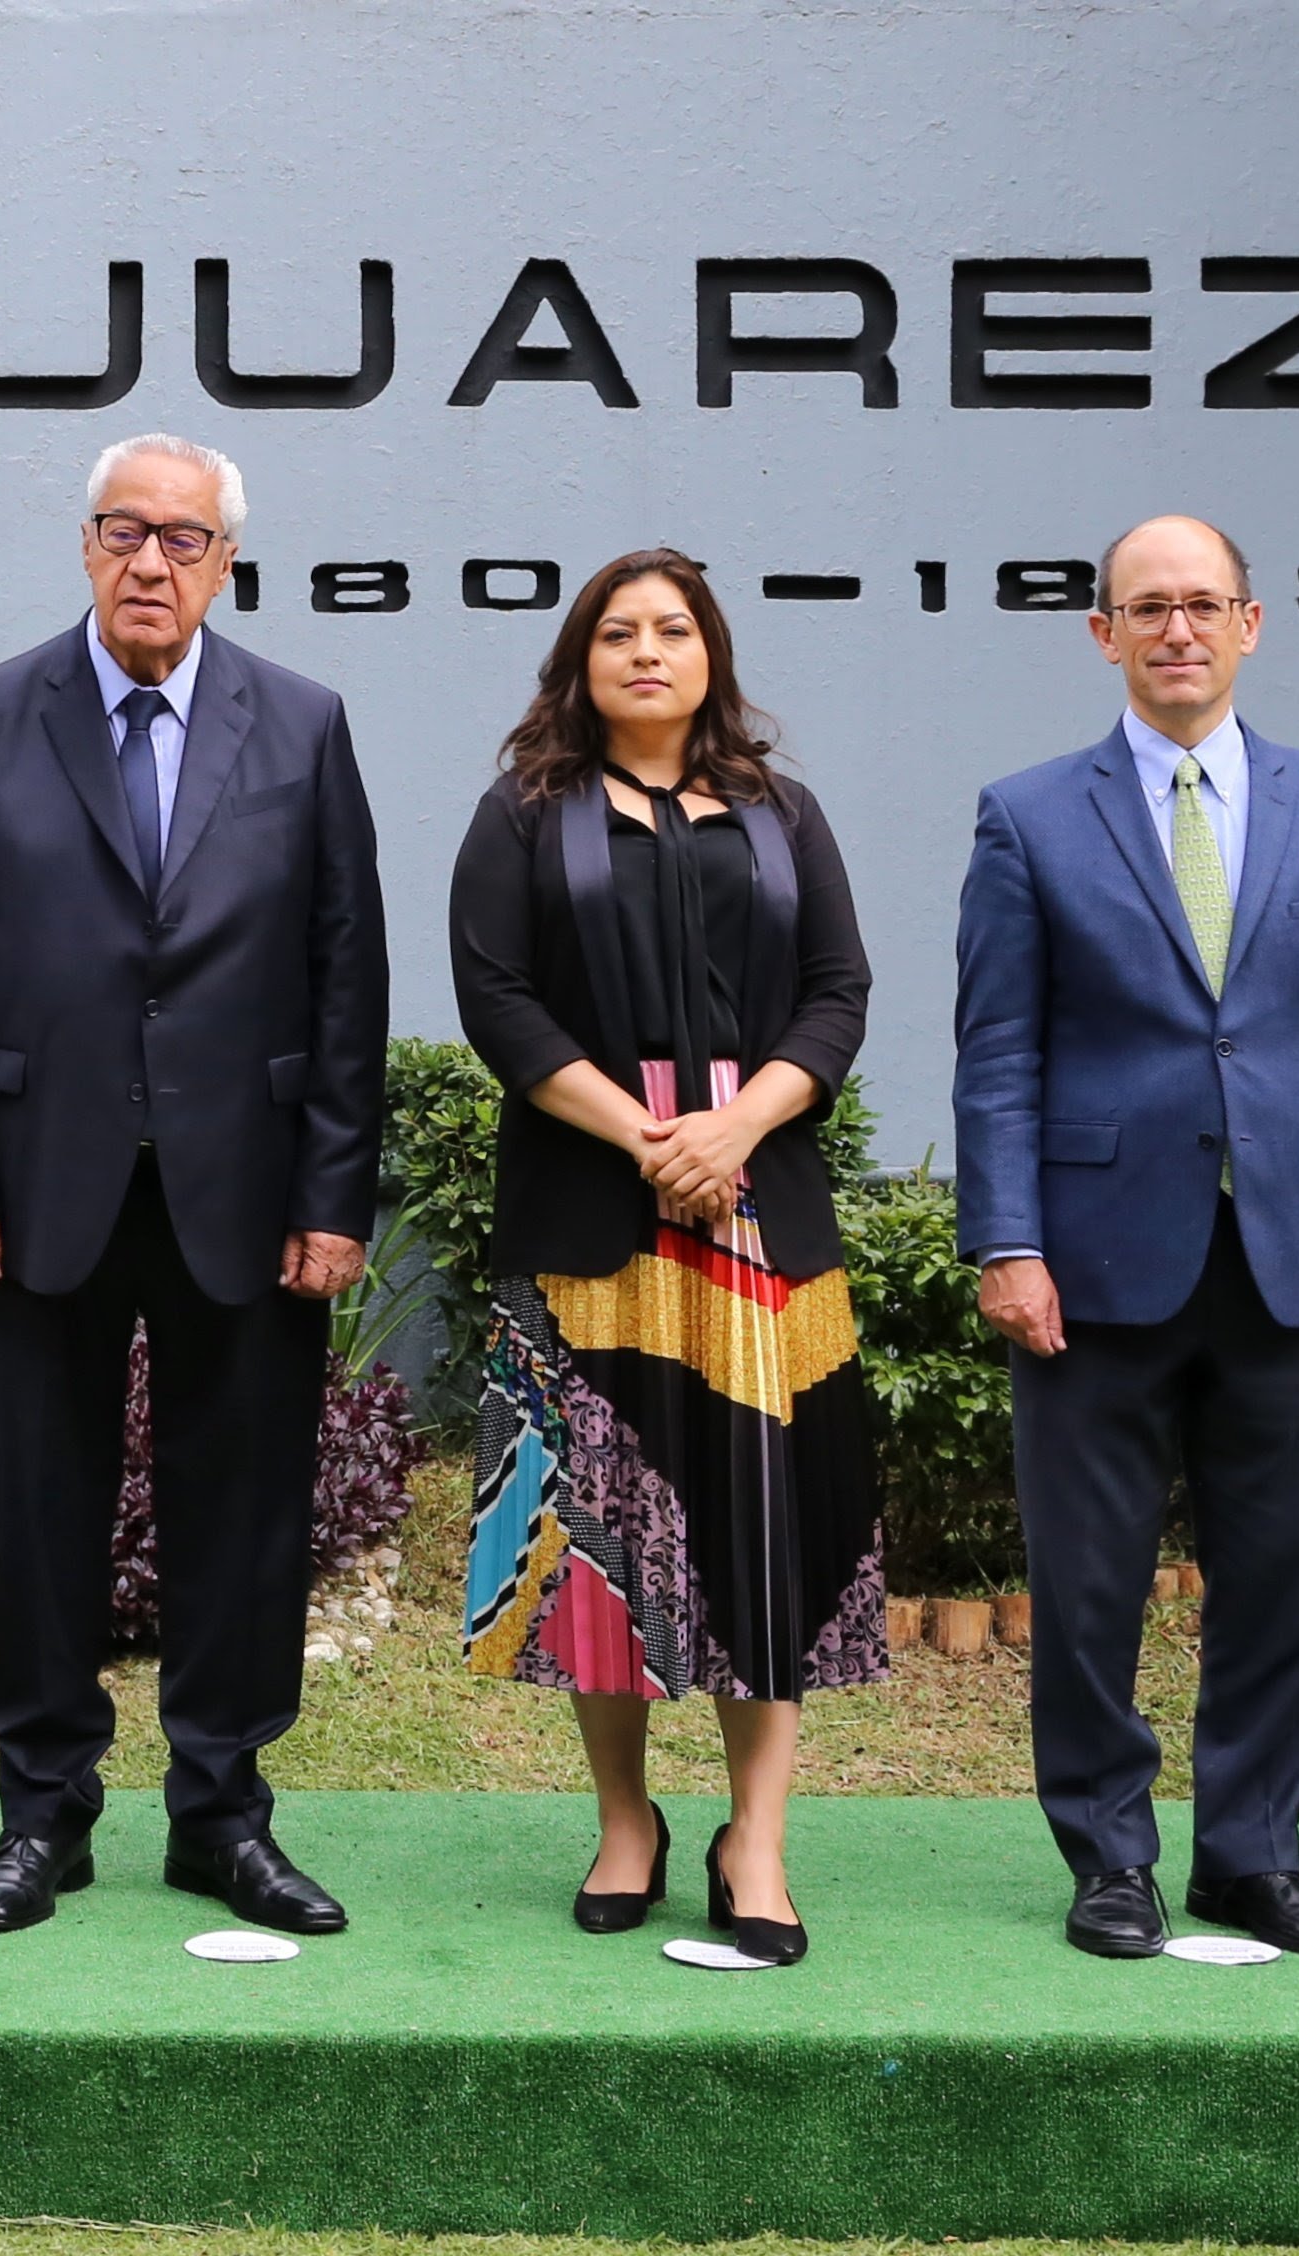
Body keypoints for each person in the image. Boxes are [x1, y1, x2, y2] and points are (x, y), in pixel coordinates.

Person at [0, 432, 384, 1938]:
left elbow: (341, 973)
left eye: (181, 539)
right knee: (41, 1511)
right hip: (39, 1186)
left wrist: (333, 1195)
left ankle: (223, 1816)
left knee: (240, 1517)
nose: (149, 563)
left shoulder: (299, 725)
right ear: (86, 546)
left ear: (224, 561)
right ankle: (42, 1816)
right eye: (123, 532)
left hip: (246, 1185)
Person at [954, 515, 1299, 1962]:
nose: (1175, 631)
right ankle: (1107, 1859)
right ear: (1101, 634)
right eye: (1144, 609)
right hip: (1092, 1260)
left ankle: (1251, 1856)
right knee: (1090, 1583)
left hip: (1294, 1248)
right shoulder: (1028, 812)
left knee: (1278, 1575)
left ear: (1249, 624)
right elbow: (996, 1052)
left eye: (1201, 606)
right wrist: (1005, 1238)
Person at [446, 548, 876, 1966]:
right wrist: (647, 1139)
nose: (645, 652)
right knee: (603, 1534)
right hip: (591, 1203)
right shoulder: (522, 819)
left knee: (766, 1525)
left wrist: (732, 1125)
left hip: (758, 1203)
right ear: (579, 663)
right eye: (616, 633)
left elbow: (834, 993)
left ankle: (756, 1834)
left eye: (671, 630)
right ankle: (624, 1815)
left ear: (710, 656)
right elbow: (497, 1003)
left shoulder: (779, 812)